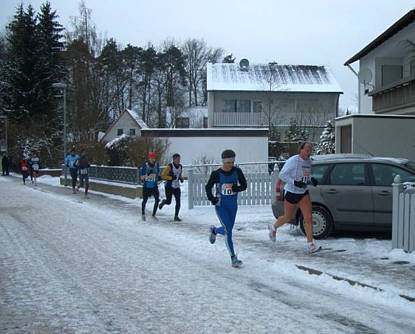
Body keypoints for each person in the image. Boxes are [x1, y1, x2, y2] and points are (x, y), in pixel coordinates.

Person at [268, 142, 319, 254]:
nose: (309, 152)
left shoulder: (309, 161)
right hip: (291, 192)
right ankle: (273, 227)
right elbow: (282, 175)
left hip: (303, 192)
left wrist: (311, 179)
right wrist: (294, 182)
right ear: (300, 150)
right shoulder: (293, 161)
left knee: (308, 218)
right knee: (287, 217)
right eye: (306, 150)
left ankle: (310, 244)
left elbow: (305, 174)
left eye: (310, 150)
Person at [205, 149, 247, 268]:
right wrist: (212, 199)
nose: (230, 164)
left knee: (227, 229)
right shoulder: (216, 174)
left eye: (232, 162)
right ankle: (233, 257)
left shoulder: (237, 171)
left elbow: (244, 185)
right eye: (228, 162)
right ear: (223, 162)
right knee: (228, 230)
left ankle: (214, 231)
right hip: (221, 205)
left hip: (232, 206)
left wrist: (236, 188)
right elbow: (208, 187)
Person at [159, 153, 184, 221]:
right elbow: (163, 176)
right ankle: (164, 202)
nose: (178, 161)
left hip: (176, 186)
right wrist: (171, 177)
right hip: (169, 186)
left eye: (179, 159)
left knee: (178, 202)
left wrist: (181, 178)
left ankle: (176, 216)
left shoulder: (181, 166)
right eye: (177, 159)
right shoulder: (169, 166)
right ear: (173, 160)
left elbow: (179, 174)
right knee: (169, 202)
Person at [140, 152, 160, 221]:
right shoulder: (145, 165)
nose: (152, 159)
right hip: (146, 186)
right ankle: (143, 214)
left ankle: (153, 215)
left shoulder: (157, 165)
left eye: (153, 158)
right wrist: (147, 175)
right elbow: (141, 177)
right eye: (151, 158)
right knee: (145, 200)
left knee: (157, 200)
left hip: (154, 186)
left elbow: (157, 174)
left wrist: (158, 178)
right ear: (149, 158)